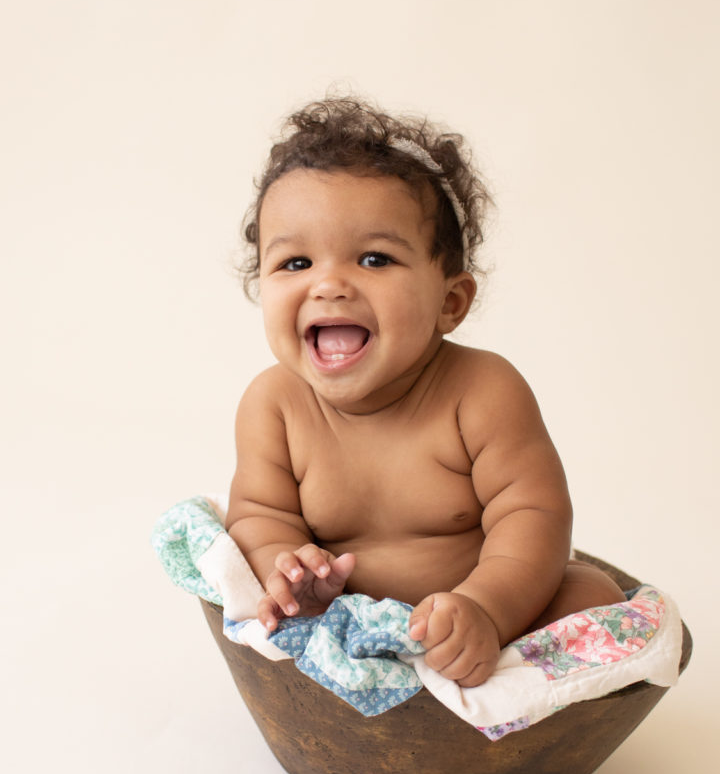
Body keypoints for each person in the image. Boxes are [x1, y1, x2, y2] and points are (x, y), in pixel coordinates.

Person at [226, 97, 624, 688]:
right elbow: (259, 516)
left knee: (594, 593)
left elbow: (532, 514)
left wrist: (487, 609)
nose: (329, 283)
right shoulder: (274, 405)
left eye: (373, 258)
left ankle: (492, 669)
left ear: (450, 302)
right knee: (261, 594)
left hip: (482, 615)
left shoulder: (483, 391)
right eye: (296, 261)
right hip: (346, 621)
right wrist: (290, 576)